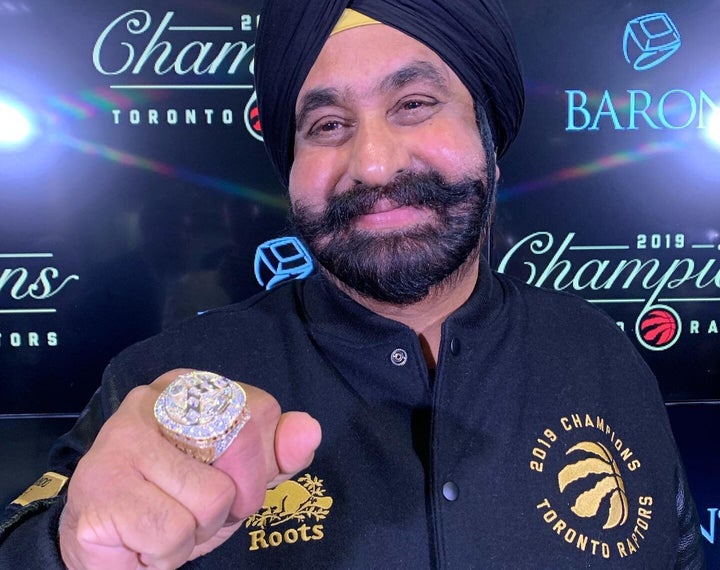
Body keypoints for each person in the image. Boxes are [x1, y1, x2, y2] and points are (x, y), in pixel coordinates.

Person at [0, 0, 706, 568]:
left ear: (492, 143)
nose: (370, 163)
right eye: (329, 124)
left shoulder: (600, 354)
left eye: (415, 104)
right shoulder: (164, 388)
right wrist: (67, 550)